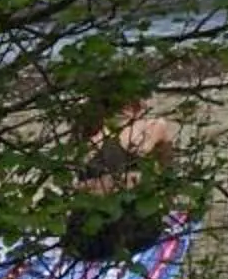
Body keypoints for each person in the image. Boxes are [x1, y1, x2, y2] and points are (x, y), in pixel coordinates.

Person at [62, 76, 181, 263]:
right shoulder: (153, 126)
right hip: (131, 231)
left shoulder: (87, 132)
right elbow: (166, 179)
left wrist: (107, 184)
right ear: (134, 101)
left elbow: (76, 188)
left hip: (85, 235)